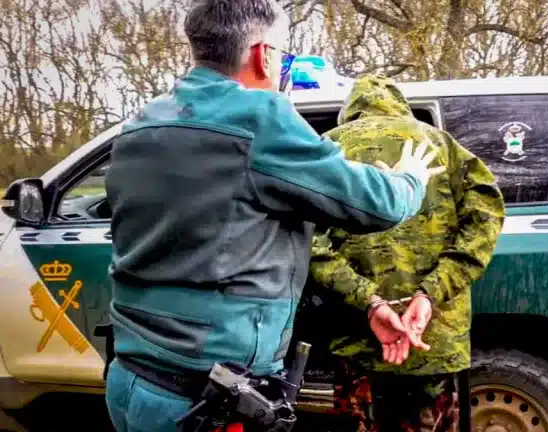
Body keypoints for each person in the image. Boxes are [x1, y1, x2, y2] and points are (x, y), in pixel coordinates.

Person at [102, 1, 445, 430]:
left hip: (130, 378)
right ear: (263, 54)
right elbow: (374, 203)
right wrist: (410, 178)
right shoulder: (260, 118)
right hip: (207, 400)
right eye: (283, 54)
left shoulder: (141, 123)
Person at [309, 74, 505, 432]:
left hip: (358, 344)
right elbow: (486, 216)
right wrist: (432, 291)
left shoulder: (329, 149)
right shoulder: (443, 145)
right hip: (434, 341)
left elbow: (308, 241)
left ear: (349, 112)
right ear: (400, 106)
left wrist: (368, 298)